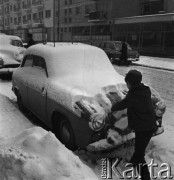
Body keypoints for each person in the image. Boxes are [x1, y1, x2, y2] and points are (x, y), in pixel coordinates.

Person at [111, 70, 158, 180]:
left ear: (130, 83)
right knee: (138, 152)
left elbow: (122, 104)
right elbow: (134, 100)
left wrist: (112, 107)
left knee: (139, 156)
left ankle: (145, 177)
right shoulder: (145, 90)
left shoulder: (133, 95)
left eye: (127, 83)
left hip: (143, 128)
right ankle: (132, 164)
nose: (127, 86)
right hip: (149, 125)